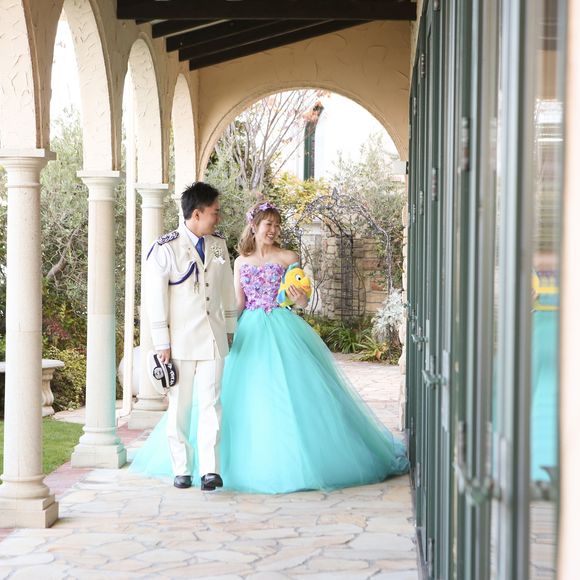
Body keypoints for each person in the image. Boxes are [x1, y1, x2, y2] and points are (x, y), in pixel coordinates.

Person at [131, 200, 409, 493]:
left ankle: (294, 460)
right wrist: (224, 331)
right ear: (254, 227)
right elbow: (237, 302)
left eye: (277, 225)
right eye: (268, 224)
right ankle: (205, 466)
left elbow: (302, 300)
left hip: (282, 326)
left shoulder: (289, 257)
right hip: (249, 330)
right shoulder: (240, 261)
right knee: (229, 397)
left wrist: (298, 297)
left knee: (289, 394)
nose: (273, 230)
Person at [135, 182, 237, 491]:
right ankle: (182, 469)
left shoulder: (218, 245)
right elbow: (155, 300)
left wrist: (229, 329)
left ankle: (210, 471)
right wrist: (161, 343)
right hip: (178, 343)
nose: (218, 218)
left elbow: (226, 289)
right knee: (179, 407)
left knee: (212, 405)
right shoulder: (165, 248)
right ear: (197, 213)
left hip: (213, 339)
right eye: (214, 212)